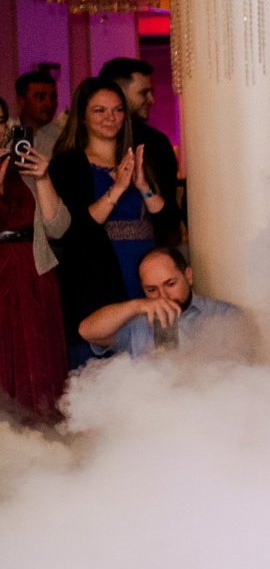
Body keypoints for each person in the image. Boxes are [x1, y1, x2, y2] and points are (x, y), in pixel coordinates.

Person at [48, 78, 180, 368]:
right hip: (94, 276)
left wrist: (143, 187)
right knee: (103, 367)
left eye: (118, 110)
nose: (110, 117)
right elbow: (74, 231)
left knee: (156, 362)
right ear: (82, 116)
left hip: (146, 272)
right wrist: (117, 188)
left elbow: (170, 221)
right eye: (100, 110)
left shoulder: (141, 157)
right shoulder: (68, 163)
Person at [0, 130, 69, 422]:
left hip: (33, 274)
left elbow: (58, 227)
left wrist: (43, 177)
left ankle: (40, 436)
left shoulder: (26, 167)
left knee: (37, 359)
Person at [77, 246, 247, 361]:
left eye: (170, 284)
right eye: (152, 290)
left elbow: (240, 376)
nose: (162, 296)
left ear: (188, 276)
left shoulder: (225, 315)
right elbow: (87, 331)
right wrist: (135, 306)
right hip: (152, 402)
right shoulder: (136, 322)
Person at [98, 57, 180, 246]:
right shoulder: (86, 144)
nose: (152, 99)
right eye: (144, 93)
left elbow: (170, 216)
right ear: (116, 93)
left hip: (150, 248)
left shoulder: (157, 143)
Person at [15, 70, 61, 154]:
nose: (49, 103)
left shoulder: (62, 138)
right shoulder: (7, 135)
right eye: (40, 97)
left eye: (53, 97)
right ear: (22, 101)